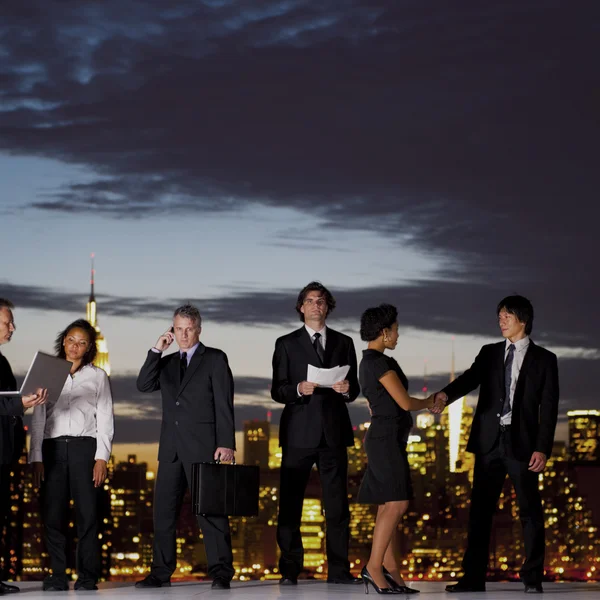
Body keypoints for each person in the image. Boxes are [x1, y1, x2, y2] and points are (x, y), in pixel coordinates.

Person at [437, 296, 559, 594]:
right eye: (499, 315)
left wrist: (542, 448)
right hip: (489, 442)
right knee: (479, 512)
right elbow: (468, 380)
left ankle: (532, 578)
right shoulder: (489, 353)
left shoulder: (545, 359)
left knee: (530, 511)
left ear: (523, 320)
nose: (500, 320)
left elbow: (550, 407)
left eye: (506, 316)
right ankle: (472, 579)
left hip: (524, 446)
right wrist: (444, 395)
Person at [135, 304, 235, 591]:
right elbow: (143, 385)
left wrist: (226, 443)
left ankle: (221, 572)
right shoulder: (165, 363)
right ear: (172, 330)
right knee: (163, 514)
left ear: (199, 329)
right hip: (170, 450)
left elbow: (224, 403)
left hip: (204, 449)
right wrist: (157, 349)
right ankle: (160, 572)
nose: (183, 334)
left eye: (189, 329)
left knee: (211, 513)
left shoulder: (215, 358)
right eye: (178, 329)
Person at [271, 281, 361, 585]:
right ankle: (289, 571)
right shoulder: (285, 343)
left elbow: (355, 387)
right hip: (298, 433)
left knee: (337, 508)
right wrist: (297, 389)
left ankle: (339, 571)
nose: (315, 305)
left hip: (333, 433)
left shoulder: (344, 342)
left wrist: (348, 390)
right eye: (309, 301)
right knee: (290, 506)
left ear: (328, 306)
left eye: (321, 301)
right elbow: (277, 389)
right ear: (301, 307)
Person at [357, 304, 439, 595]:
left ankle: (390, 569)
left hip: (386, 438)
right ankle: (373, 567)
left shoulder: (371, 361)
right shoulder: (378, 362)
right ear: (384, 332)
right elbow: (404, 402)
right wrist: (430, 402)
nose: (398, 335)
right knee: (397, 503)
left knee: (387, 503)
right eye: (395, 330)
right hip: (385, 440)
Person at [29, 318, 114, 592]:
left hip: (84, 449)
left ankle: (87, 577)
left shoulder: (98, 376)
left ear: (89, 347)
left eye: (82, 342)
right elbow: (38, 418)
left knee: (88, 515)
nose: (75, 346)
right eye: (71, 339)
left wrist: (102, 458)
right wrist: (36, 458)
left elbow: (105, 420)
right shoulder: (47, 374)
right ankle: (57, 575)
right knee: (53, 515)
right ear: (63, 340)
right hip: (52, 449)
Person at [0, 298, 47, 596]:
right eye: (7, 322)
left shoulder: (1, 361)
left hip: (4, 455)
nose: (12, 327)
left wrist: (25, 403)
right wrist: (20, 403)